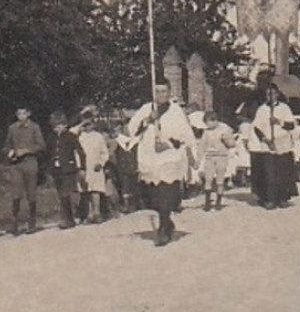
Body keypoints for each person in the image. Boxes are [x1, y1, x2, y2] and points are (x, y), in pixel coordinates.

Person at [127, 80, 197, 246]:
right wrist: (148, 120)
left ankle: (163, 228)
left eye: (163, 91)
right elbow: (132, 129)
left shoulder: (176, 111)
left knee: (166, 194)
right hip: (150, 158)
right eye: (157, 91)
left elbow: (186, 136)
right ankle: (167, 221)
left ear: (169, 92)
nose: (160, 95)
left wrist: (168, 144)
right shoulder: (146, 109)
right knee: (154, 197)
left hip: (169, 158)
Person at [250, 83, 299, 209]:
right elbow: (257, 127)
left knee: (282, 172)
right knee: (269, 173)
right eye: (267, 94)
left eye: (272, 94)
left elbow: (291, 125)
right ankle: (270, 199)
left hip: (282, 143)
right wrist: (265, 139)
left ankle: (282, 198)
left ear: (277, 94)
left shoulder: (284, 108)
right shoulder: (262, 109)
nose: (270, 97)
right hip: (267, 144)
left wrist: (278, 121)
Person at [3, 106, 45, 234]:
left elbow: (41, 145)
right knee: (16, 193)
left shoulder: (34, 127)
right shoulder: (12, 128)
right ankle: (14, 223)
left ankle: (31, 223)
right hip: (16, 164)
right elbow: (7, 145)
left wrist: (27, 150)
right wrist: (10, 152)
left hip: (30, 162)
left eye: (23, 113)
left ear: (28, 114)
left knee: (31, 193)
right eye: (19, 114)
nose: (21, 116)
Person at [48, 110, 86, 229]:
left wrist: (82, 168)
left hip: (68, 168)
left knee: (66, 193)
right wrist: (50, 169)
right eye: (54, 127)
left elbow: (81, 153)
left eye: (59, 126)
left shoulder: (70, 136)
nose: (57, 129)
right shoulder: (52, 138)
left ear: (65, 125)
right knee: (61, 194)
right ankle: (68, 217)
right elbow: (50, 154)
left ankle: (69, 219)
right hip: (56, 169)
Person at [197, 108, 236, 210]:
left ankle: (218, 201)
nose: (208, 125)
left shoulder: (224, 130)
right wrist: (198, 159)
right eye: (206, 122)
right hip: (209, 157)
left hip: (221, 157)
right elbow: (202, 146)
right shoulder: (206, 133)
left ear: (215, 120)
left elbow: (232, 144)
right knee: (208, 178)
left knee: (220, 179)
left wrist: (225, 139)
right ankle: (207, 201)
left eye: (210, 121)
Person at [77, 114, 113, 223]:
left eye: (90, 124)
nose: (88, 126)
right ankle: (89, 214)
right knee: (86, 191)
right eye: (85, 124)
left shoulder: (98, 136)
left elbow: (104, 152)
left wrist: (101, 163)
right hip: (84, 167)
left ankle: (97, 212)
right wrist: (79, 167)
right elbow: (76, 153)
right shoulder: (79, 137)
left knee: (96, 190)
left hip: (95, 166)